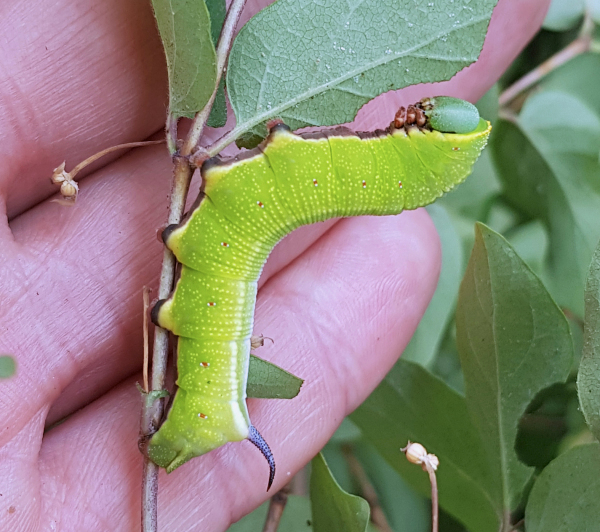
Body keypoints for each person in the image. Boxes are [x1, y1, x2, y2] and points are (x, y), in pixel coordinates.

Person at [0, 0, 550, 529]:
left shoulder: (344, 174)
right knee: (243, 237)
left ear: (416, 147)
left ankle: (209, 414)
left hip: (228, 269)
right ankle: (213, 415)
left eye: (422, 120)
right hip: (232, 251)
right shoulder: (348, 174)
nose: (414, 113)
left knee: (243, 233)